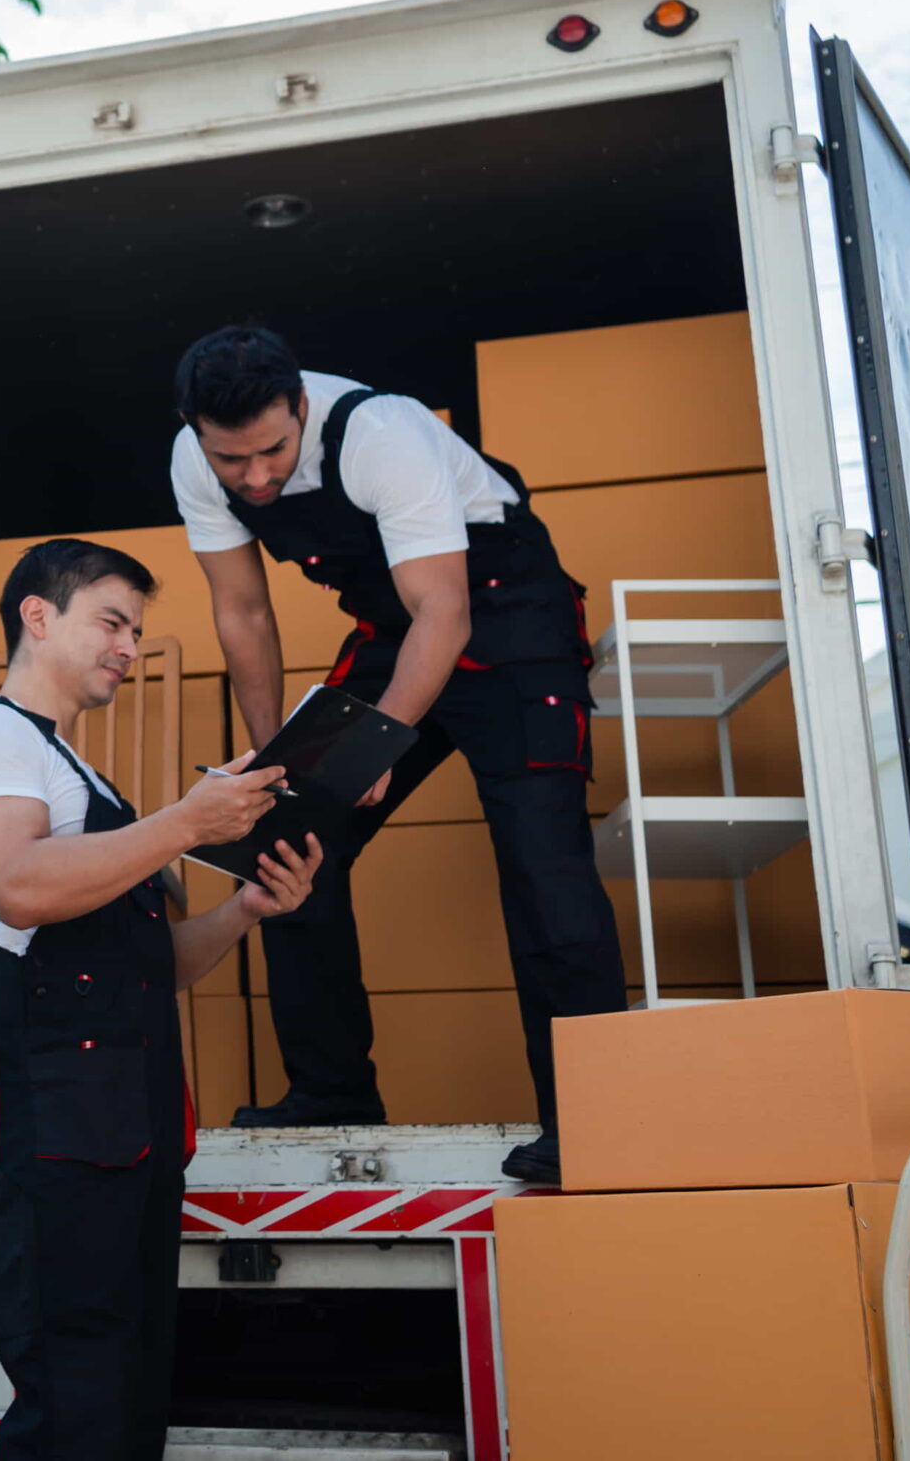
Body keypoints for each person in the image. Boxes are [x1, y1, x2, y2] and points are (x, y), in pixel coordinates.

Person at [169, 324, 627, 1183]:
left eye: (272, 450)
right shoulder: (195, 462)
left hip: (507, 623)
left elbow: (445, 613)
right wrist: (273, 759)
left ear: (301, 405)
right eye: (235, 461)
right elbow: (244, 614)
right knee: (283, 833)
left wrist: (382, 743)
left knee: (543, 862)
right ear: (198, 433)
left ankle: (589, 1120)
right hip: (391, 632)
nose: (258, 478)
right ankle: (332, 1089)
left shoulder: (383, 433)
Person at [0, 538, 322, 1459]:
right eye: (112, 621)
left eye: (135, 630)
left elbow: (150, 963)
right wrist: (186, 820)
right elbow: (20, 885)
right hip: (45, 1134)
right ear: (37, 614)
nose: (129, 647)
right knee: (74, 1415)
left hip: (121, 1136)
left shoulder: (82, 775)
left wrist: (247, 907)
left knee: (126, 1409)